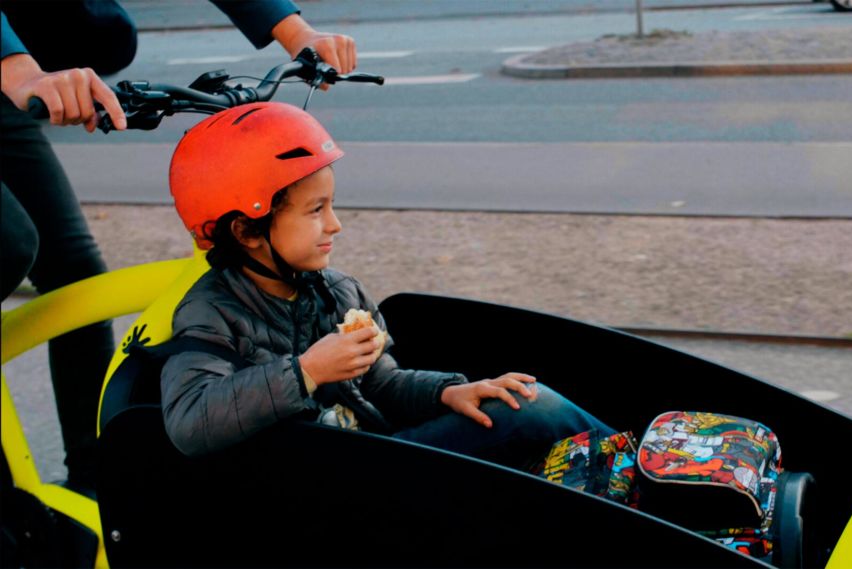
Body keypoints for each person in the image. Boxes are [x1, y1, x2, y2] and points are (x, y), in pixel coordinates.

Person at [0, 0, 357, 493]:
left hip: (6, 96)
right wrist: (15, 67)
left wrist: (296, 32)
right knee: (10, 245)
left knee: (75, 275)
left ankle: (93, 486)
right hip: (10, 73)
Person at [160, 102, 613, 467]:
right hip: (328, 487)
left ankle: (641, 478)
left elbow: (382, 385)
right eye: (315, 210)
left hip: (381, 451)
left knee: (520, 403)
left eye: (331, 205)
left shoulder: (337, 291)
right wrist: (307, 371)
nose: (335, 225)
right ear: (247, 231)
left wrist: (447, 392)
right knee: (537, 412)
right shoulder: (211, 312)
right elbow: (190, 423)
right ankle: (656, 482)